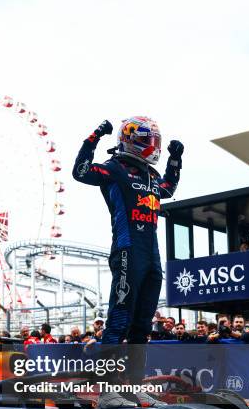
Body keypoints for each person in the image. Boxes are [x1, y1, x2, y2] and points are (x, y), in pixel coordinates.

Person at [73, 117, 183, 346]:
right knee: (120, 319)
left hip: (151, 253)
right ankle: (106, 378)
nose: (152, 145)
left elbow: (168, 189)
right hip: (128, 249)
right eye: (146, 140)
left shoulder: (151, 176)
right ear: (129, 140)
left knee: (143, 324)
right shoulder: (114, 168)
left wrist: (175, 160)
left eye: (154, 140)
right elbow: (80, 172)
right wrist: (94, 137)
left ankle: (133, 378)